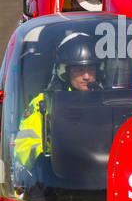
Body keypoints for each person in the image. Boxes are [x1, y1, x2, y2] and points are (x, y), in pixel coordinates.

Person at [14, 32, 103, 171]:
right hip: (58, 176)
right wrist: (42, 160)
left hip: (103, 174)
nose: (87, 76)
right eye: (80, 69)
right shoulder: (44, 103)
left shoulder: (107, 100)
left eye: (91, 68)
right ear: (65, 71)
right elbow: (24, 143)